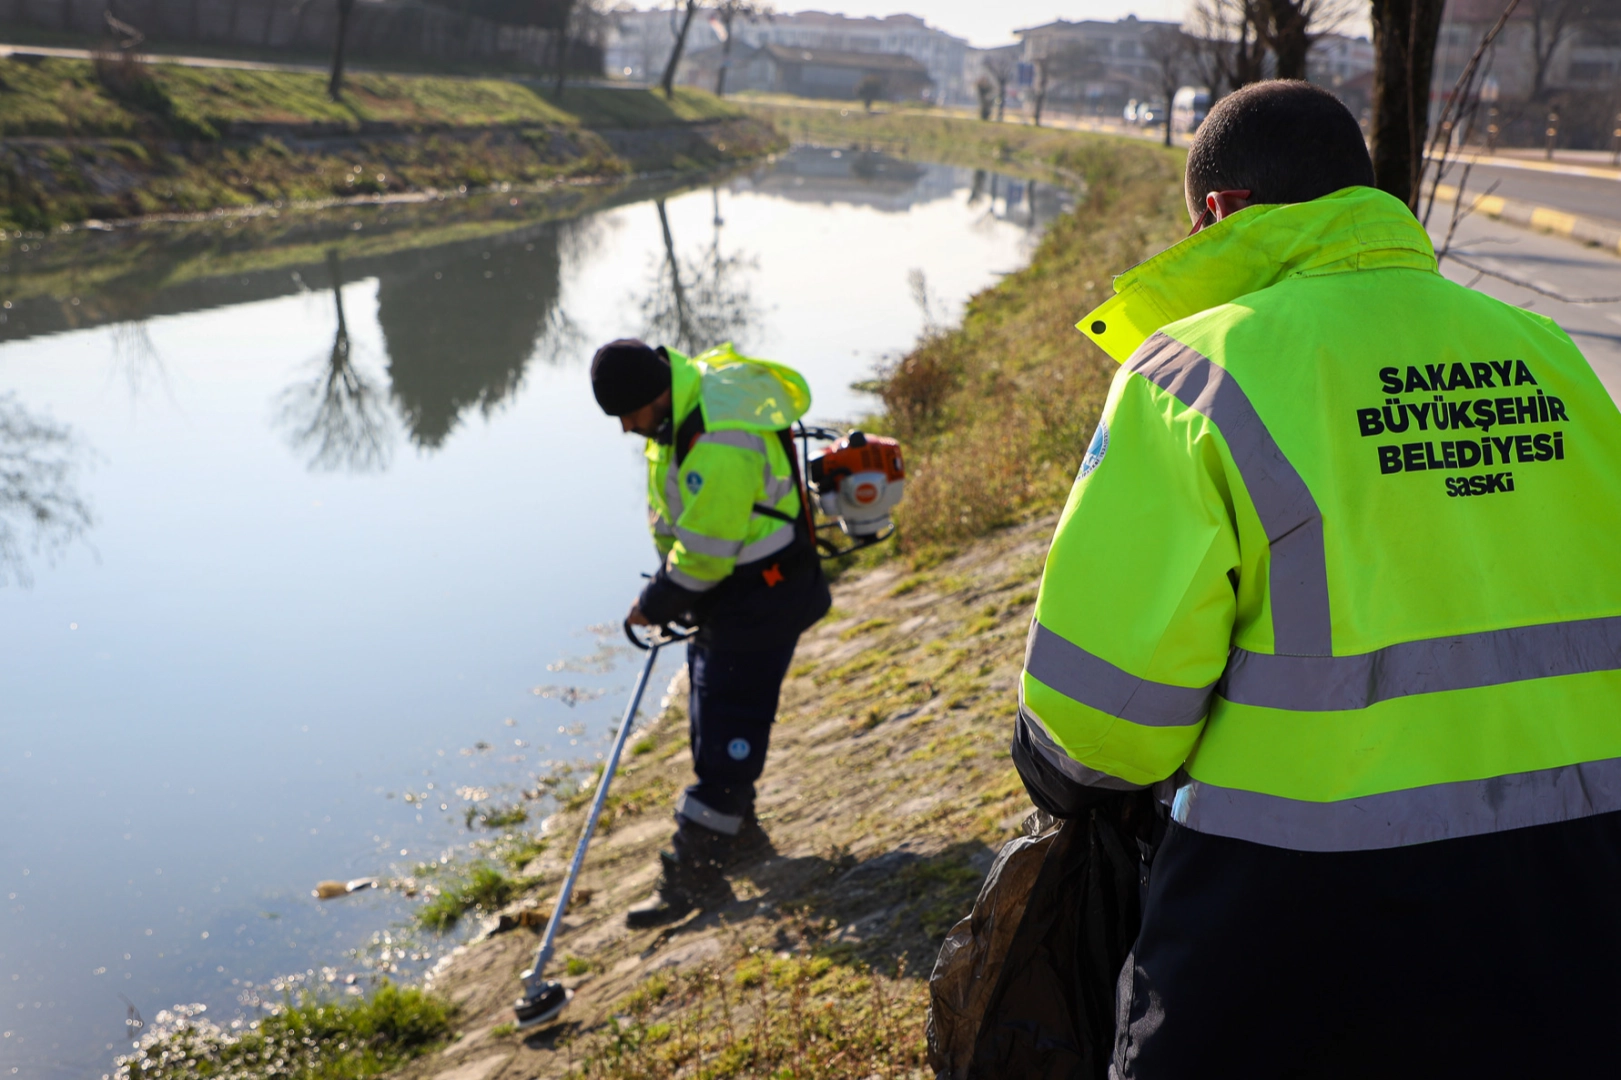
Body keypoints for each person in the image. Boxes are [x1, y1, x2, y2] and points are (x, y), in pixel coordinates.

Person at [1011, 79, 1621, 1075]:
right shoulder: (1547, 354)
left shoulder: (1192, 373)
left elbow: (1105, 724)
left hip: (1291, 917)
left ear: (1215, 213)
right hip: (1575, 896)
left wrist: (1052, 764)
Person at [591, 338, 830, 928]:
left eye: (628, 414)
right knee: (708, 715)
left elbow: (706, 552)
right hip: (733, 596)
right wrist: (677, 594)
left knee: (725, 742)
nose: (626, 429)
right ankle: (740, 839)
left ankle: (693, 880)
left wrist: (656, 600)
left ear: (654, 395)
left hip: (761, 595)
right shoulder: (683, 407)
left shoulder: (718, 436)